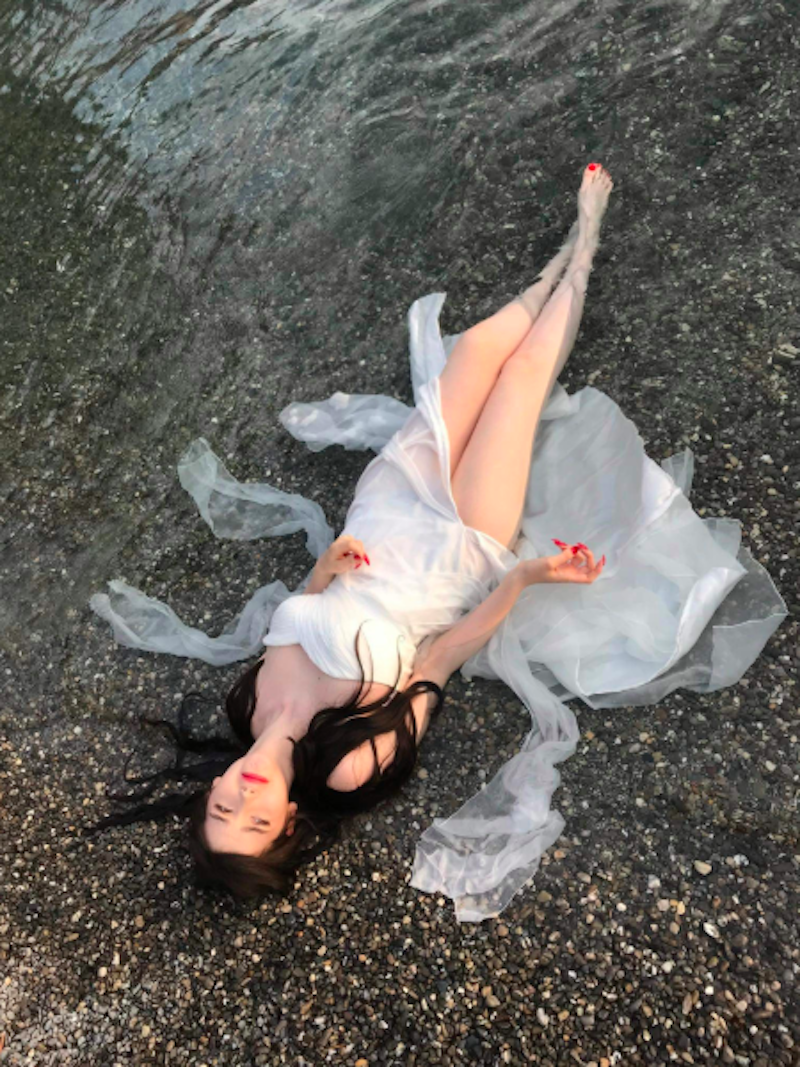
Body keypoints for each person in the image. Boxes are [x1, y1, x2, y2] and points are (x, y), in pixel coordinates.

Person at [90, 163, 614, 894]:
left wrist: (325, 569)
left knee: (473, 350)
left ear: (209, 794)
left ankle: (552, 266)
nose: (242, 796)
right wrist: (524, 576)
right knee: (521, 380)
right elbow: (439, 659)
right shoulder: (347, 766)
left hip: (386, 509)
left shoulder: (247, 708)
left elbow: (303, 618)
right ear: (289, 824)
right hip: (453, 549)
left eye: (222, 808)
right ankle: (584, 249)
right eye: (254, 820)